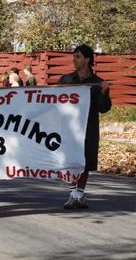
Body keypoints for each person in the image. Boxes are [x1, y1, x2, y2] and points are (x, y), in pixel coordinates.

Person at [58, 44, 111, 209]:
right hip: (68, 128)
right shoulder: (66, 80)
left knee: (85, 161)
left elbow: (104, 108)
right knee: (68, 161)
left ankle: (79, 194)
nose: (74, 60)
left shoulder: (98, 83)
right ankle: (72, 192)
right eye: (74, 56)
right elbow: (53, 102)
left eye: (78, 56)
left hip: (88, 127)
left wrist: (103, 92)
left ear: (87, 59)